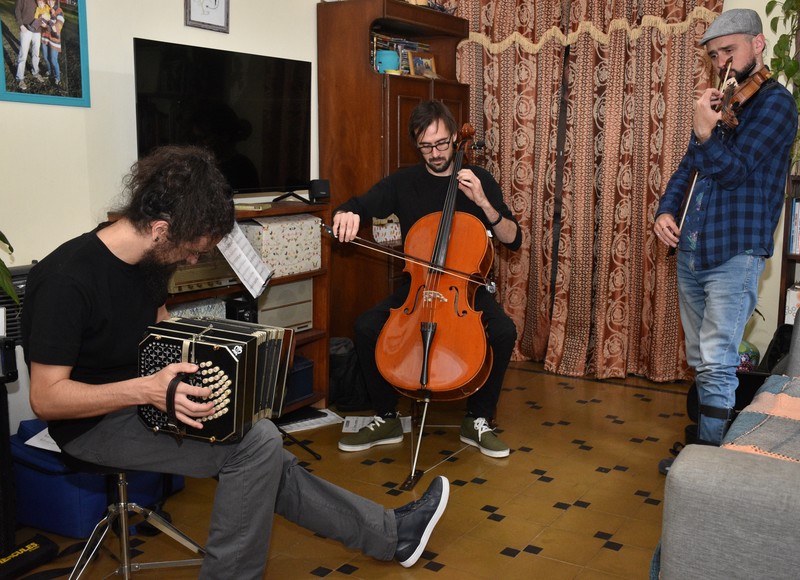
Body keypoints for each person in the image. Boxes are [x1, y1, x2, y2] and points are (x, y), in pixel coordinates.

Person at [21, 145, 449, 579]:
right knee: (257, 444)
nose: (192, 260)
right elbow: (46, 398)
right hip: (91, 425)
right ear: (160, 229)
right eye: (191, 251)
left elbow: (160, 328)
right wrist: (147, 389)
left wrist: (224, 369)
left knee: (262, 454)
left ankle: (393, 534)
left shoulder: (149, 259)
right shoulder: (66, 281)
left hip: (150, 398)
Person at [332, 101, 522, 458]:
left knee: (503, 331)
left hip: (466, 290)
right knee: (366, 327)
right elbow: (362, 203)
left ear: (454, 138)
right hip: (418, 289)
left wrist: (484, 203)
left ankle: (478, 419)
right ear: (416, 145)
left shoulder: (479, 180)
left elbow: (514, 239)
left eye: (442, 144)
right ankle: (387, 417)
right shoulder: (404, 182)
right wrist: (347, 213)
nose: (435, 153)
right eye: (426, 147)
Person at [654, 9, 797, 472]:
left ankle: (706, 466)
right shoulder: (723, 104)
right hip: (692, 249)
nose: (722, 63)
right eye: (715, 55)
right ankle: (704, 446)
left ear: (757, 44)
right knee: (701, 358)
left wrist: (705, 131)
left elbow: (733, 171)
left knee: (717, 361)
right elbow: (688, 168)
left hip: (735, 250)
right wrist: (665, 210)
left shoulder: (776, 105)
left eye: (729, 51)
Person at [15, 0, 48, 91]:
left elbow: (46, 10)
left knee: (36, 53)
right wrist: (21, 25)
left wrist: (45, 22)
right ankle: (20, 78)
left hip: (37, 31)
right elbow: (17, 10)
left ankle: (35, 72)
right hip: (25, 29)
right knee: (23, 54)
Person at [40, 0, 64, 87]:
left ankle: (57, 78)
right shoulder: (44, 8)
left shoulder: (59, 10)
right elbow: (40, 20)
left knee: (53, 60)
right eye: (48, 0)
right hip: (45, 37)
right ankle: (50, 71)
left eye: (51, 0)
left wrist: (47, 25)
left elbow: (58, 27)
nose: (49, 1)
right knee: (46, 57)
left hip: (54, 39)